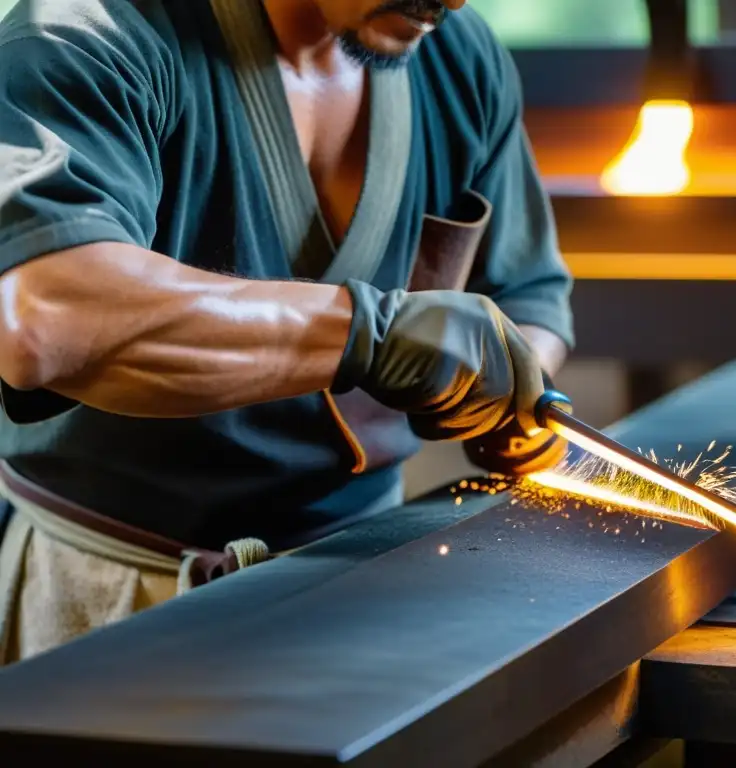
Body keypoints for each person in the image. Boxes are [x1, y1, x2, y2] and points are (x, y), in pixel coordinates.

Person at [0, 0, 574, 663]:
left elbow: (528, 291)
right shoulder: (84, 36)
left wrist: (511, 380)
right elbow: (45, 316)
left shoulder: (457, 53)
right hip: (111, 599)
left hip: (370, 585)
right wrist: (373, 335)